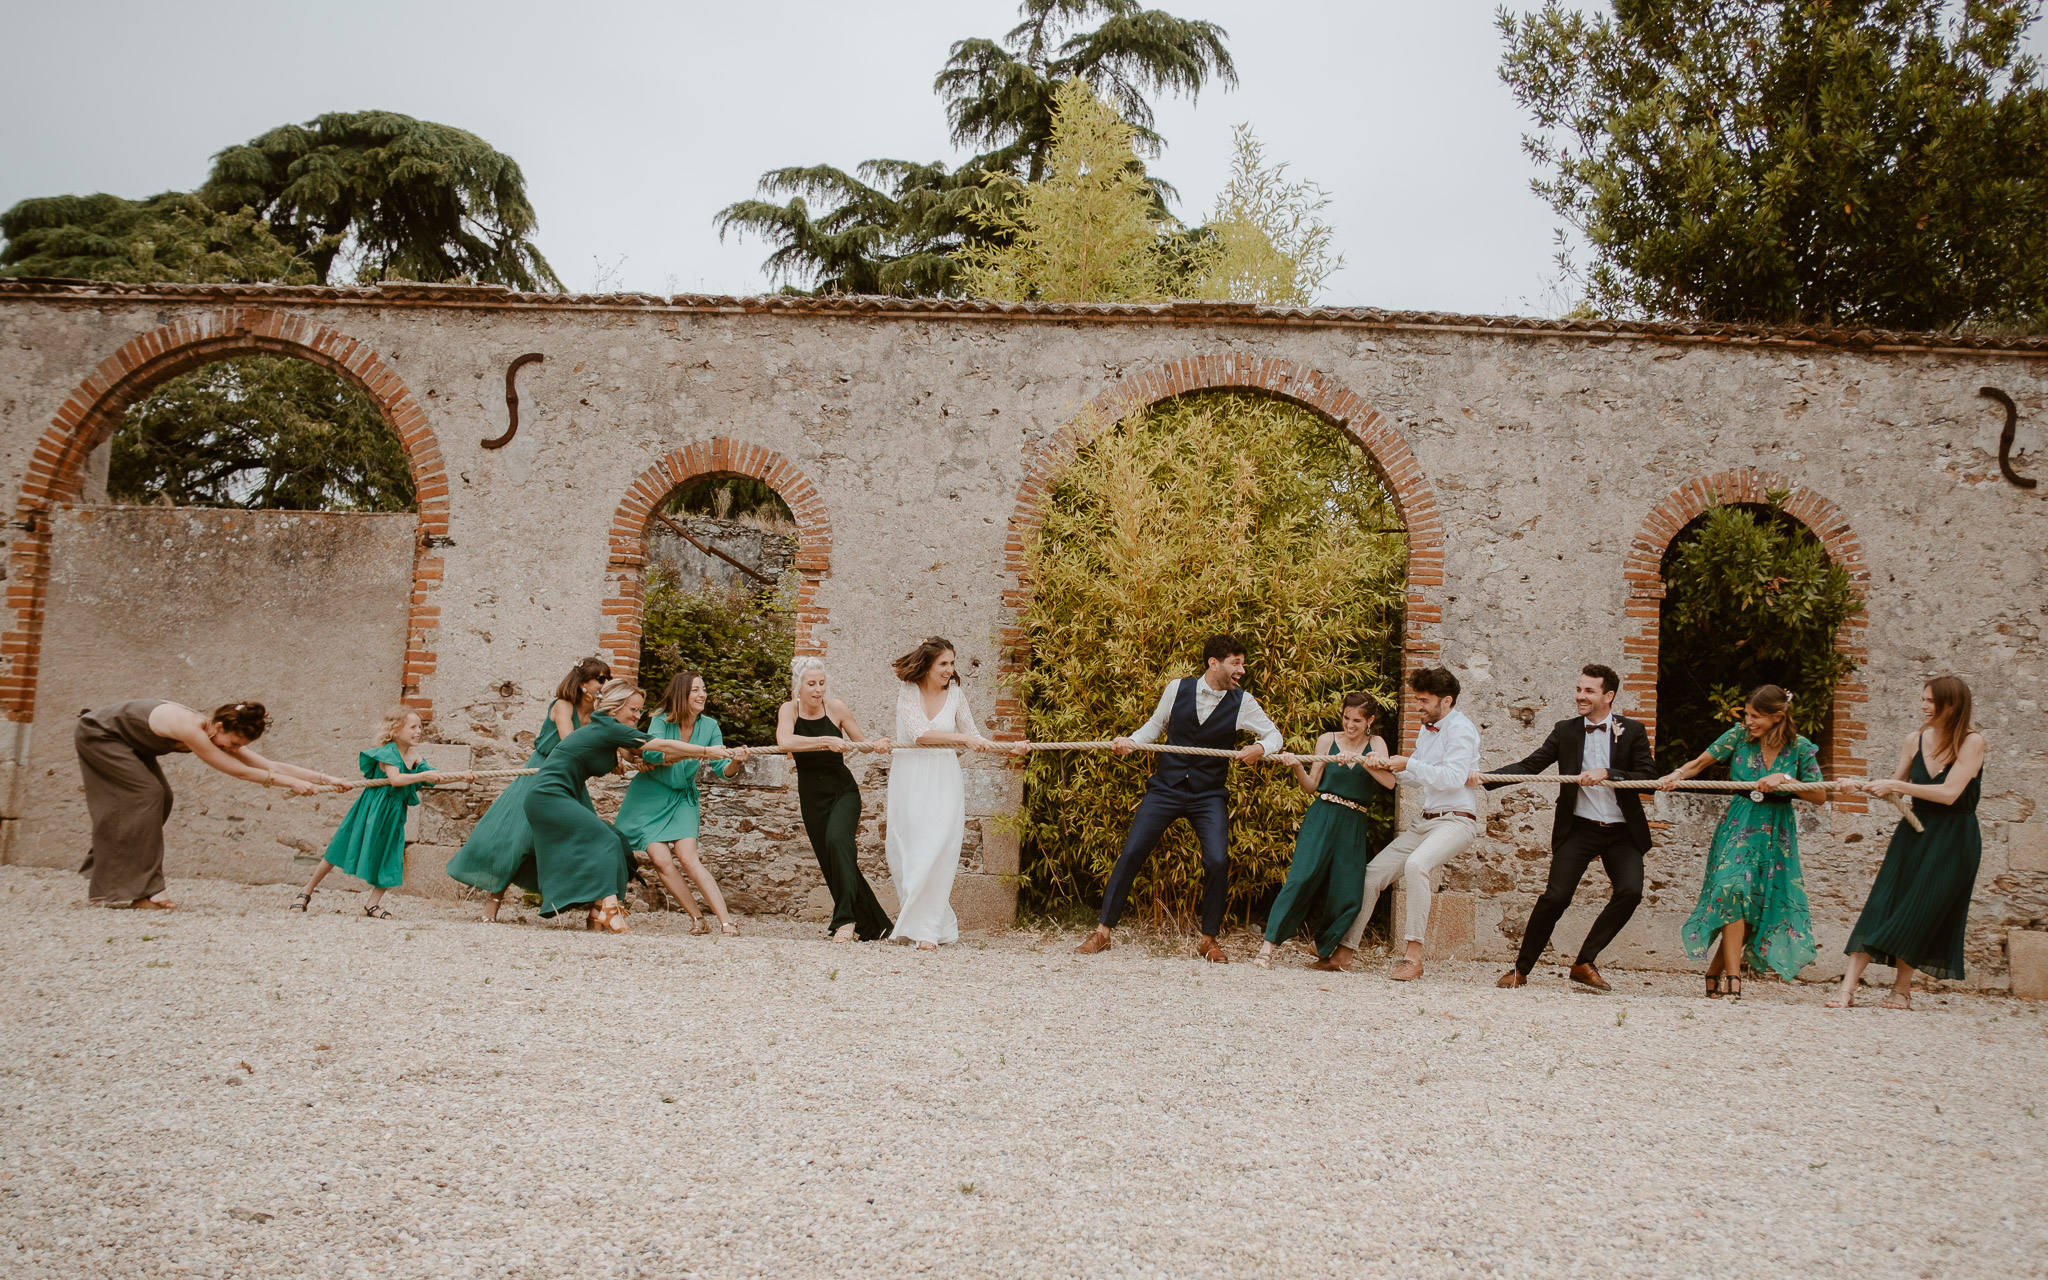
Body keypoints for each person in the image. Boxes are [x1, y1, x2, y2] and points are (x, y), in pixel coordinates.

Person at [1075, 635, 1284, 964]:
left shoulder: (1243, 702)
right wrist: (1131, 741)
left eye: (1242, 663)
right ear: (1214, 663)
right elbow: (1154, 727)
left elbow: (1275, 735)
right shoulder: (1177, 688)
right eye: (1236, 663)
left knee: (1217, 861)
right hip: (1166, 788)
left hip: (1208, 794)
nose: (1242, 670)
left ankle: (1208, 940)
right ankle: (1103, 933)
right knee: (1131, 852)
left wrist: (1260, 748)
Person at [74, 699, 349, 909]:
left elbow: (270, 765)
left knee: (161, 799)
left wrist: (327, 778)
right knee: (148, 796)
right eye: (232, 743)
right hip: (100, 735)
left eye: (238, 745)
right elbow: (238, 771)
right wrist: (290, 784)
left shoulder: (220, 732)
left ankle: (112, 876)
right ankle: (148, 890)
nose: (232, 749)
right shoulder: (191, 729)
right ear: (219, 727)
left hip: (128, 743)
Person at [1483, 664, 1658, 993]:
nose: (1580, 695)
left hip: (1622, 832)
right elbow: (1532, 764)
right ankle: (1521, 970)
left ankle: (1584, 962)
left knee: (1631, 892)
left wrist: (1608, 772)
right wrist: (1487, 778)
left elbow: (1649, 777)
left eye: (1589, 691)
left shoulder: (1632, 730)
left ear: (1609, 696)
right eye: (1579, 689)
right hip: (1578, 829)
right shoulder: (1566, 730)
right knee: (1555, 897)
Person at [1830, 676, 1985, 1010]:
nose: (1923, 706)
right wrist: (1857, 785)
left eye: (1930, 700)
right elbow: (1895, 786)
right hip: (1913, 832)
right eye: (1923, 699)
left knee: (1921, 909)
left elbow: (1949, 794)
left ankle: (1901, 990)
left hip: (1955, 838)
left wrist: (1893, 786)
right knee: (1883, 901)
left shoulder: (1972, 743)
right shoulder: (1913, 740)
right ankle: (1847, 989)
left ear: (1952, 705)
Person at [1661, 684, 1824, 1000]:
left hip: (1777, 831)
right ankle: (1734, 979)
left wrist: (1786, 780)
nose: (1749, 721)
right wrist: (1675, 774)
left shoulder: (1801, 748)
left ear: (1778, 716)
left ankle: (1715, 971)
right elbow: (1698, 764)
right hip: (1740, 821)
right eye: (1747, 714)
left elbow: (1820, 794)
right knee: (1730, 890)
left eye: (1756, 716)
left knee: (1755, 906)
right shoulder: (1738, 736)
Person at [1321, 667, 1483, 979]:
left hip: (1457, 821)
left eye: (1424, 701)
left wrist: (1408, 762)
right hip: (1424, 822)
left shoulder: (1461, 730)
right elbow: (1413, 777)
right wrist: (1383, 765)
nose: (1418, 706)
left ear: (1446, 701)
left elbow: (1452, 778)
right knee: (1371, 875)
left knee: (1416, 865)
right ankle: (1343, 953)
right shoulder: (1427, 729)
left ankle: (1413, 957)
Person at [883, 637, 1027, 950]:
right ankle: (921, 923)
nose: (950, 669)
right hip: (909, 777)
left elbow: (974, 736)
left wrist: (1012, 748)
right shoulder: (908, 691)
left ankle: (928, 931)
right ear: (928, 665)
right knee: (906, 852)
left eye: (952, 663)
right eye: (944, 664)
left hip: (943, 778)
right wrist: (962, 738)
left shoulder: (957, 695)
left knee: (937, 850)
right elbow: (920, 734)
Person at [446, 657, 610, 921]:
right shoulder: (562, 705)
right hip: (542, 773)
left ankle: (596, 908)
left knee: (585, 836)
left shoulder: (596, 715)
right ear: (583, 685)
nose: (606, 684)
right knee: (519, 836)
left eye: (608, 679)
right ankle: (493, 901)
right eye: (601, 679)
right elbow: (570, 743)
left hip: (571, 779)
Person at [523, 679, 693, 932]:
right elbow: (660, 745)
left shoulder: (607, 730)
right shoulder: (609, 728)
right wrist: (707, 751)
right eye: (633, 710)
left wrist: (639, 759)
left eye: (640, 710)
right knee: (605, 840)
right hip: (548, 796)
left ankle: (596, 911)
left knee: (619, 841)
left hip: (562, 796)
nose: (638, 716)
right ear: (614, 709)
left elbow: (642, 753)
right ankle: (610, 909)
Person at [1253, 693, 1396, 969]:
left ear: (1370, 721)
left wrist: (1361, 759)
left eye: (1357, 720)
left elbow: (1389, 782)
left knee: (1350, 893)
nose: (1349, 725)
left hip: (1354, 821)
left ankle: (1321, 944)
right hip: (1323, 814)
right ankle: (1267, 947)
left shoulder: (1376, 743)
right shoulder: (1327, 740)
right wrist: (1296, 766)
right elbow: (1311, 786)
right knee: (1301, 878)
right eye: (1346, 718)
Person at [615, 669, 750, 936]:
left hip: (682, 798)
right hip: (650, 796)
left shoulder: (710, 726)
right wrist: (678, 755)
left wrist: (736, 760)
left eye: (704, 689)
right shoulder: (660, 719)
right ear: (682, 694)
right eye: (696, 690)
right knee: (661, 859)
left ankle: (727, 923)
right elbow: (652, 752)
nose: (703, 695)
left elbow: (722, 769)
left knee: (689, 859)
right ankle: (698, 919)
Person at [291, 707, 460, 918]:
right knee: (340, 846)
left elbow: (433, 776)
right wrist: (423, 775)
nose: (419, 731)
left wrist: (462, 776)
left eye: (420, 727)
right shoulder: (388, 752)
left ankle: (372, 904)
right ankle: (306, 892)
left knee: (392, 855)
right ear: (396, 730)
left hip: (394, 812)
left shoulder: (414, 755)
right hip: (371, 809)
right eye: (413, 727)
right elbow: (396, 779)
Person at [777, 657, 894, 942]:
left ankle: (845, 920)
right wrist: (824, 742)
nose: (818, 689)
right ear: (799, 685)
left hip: (842, 790)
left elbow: (861, 743)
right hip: (811, 795)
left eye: (821, 683)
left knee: (837, 842)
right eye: (811, 684)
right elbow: (785, 742)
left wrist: (875, 745)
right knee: (833, 858)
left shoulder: (836, 708)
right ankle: (875, 925)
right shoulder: (789, 710)